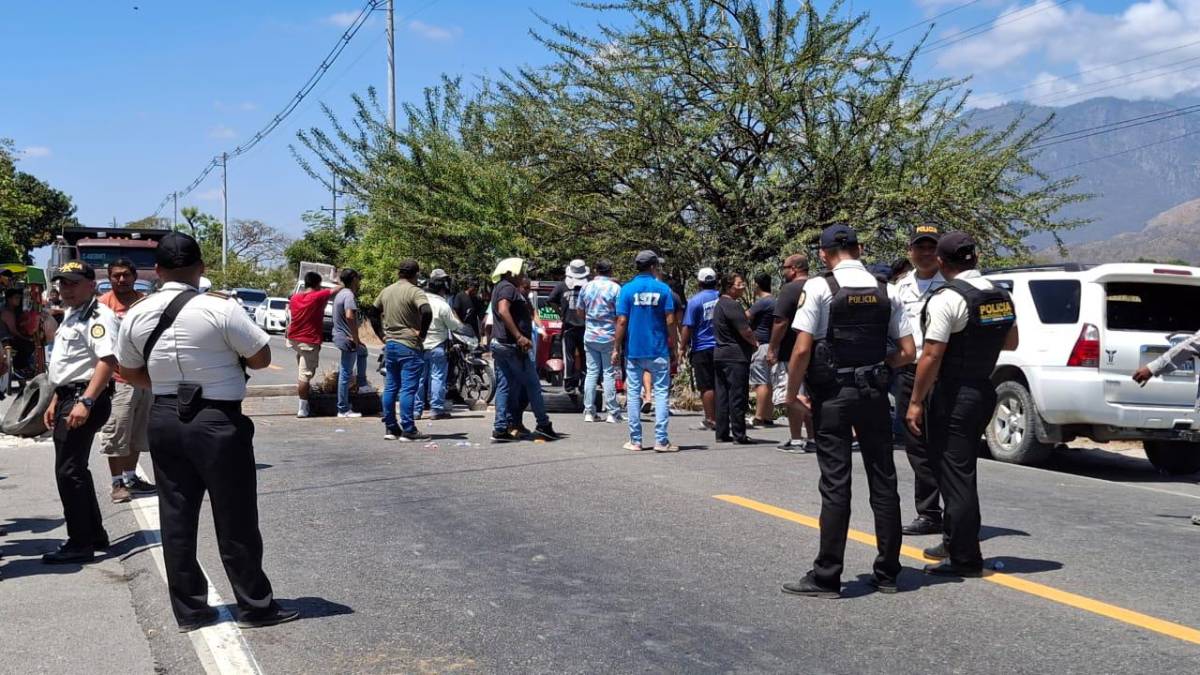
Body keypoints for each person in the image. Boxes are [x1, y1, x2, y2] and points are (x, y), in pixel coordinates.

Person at [114, 231, 298, 631]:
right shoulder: (222, 308)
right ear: (201, 268)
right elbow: (263, 358)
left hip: (164, 416)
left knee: (176, 514)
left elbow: (127, 372)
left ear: (157, 271)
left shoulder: (137, 314)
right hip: (217, 419)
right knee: (235, 515)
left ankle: (190, 611)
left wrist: (164, 387)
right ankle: (254, 605)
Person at [781, 224, 915, 598]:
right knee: (883, 480)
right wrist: (878, 367)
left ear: (824, 254)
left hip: (833, 396)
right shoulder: (886, 290)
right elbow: (908, 352)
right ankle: (888, 571)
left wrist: (791, 394)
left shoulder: (820, 288)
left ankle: (827, 575)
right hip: (873, 394)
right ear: (858, 249)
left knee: (836, 483)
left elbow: (803, 349)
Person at [906, 231, 1018, 577]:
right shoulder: (999, 295)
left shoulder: (947, 298)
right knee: (958, 469)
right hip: (984, 389)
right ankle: (954, 541)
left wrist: (915, 401)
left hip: (954, 393)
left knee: (955, 475)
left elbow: (931, 355)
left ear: (941, 262)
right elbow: (1011, 341)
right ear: (976, 257)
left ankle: (965, 558)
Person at [39, 261, 120, 565]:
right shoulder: (74, 314)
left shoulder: (98, 316)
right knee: (75, 469)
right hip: (69, 396)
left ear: (91, 285)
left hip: (84, 398)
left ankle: (79, 542)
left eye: (73, 283)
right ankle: (93, 534)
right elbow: (69, 365)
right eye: (63, 283)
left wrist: (84, 401)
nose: (66, 289)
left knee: (68, 471)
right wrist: (55, 399)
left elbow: (107, 360)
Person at [891, 224, 947, 537]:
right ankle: (928, 512)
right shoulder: (901, 287)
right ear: (910, 251)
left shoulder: (949, 284)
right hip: (910, 371)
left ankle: (950, 508)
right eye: (920, 247)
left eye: (931, 247)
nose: (926, 253)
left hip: (941, 372)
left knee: (942, 442)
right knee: (915, 444)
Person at [97, 258, 157, 504]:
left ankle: (132, 478)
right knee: (117, 432)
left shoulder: (146, 303)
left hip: (145, 378)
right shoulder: (101, 306)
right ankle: (116, 483)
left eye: (126, 275)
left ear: (134, 276)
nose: (121, 280)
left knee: (137, 433)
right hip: (118, 379)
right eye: (116, 276)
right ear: (109, 278)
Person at [488, 258, 560, 442]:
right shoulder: (507, 287)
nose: (522, 276)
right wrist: (519, 336)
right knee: (533, 386)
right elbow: (503, 310)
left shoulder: (508, 288)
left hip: (503, 345)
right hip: (511, 346)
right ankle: (543, 425)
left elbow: (525, 311)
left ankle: (501, 428)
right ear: (511, 273)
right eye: (520, 272)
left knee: (504, 386)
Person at [613, 250, 678, 452]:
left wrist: (616, 347)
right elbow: (670, 320)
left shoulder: (626, 290)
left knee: (633, 393)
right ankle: (661, 440)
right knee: (661, 393)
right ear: (653, 266)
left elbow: (622, 321)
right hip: (658, 349)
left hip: (634, 350)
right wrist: (675, 345)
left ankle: (635, 440)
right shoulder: (663, 289)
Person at [375, 260, 433, 441]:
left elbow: (372, 312)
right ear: (415, 274)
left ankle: (391, 428)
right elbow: (427, 311)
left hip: (390, 344)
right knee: (408, 389)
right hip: (409, 345)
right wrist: (422, 334)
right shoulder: (414, 291)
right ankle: (408, 429)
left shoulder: (387, 291)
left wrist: (381, 335)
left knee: (391, 387)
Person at [768, 253, 815, 453]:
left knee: (792, 395)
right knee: (809, 394)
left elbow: (781, 321)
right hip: (816, 351)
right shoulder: (818, 285)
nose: (784, 271)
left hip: (791, 351)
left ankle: (796, 439)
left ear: (795, 268)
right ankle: (813, 438)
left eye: (785, 267)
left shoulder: (790, 289)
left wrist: (772, 348)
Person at [712, 272, 758, 444]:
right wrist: (755, 342)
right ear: (729, 287)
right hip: (735, 356)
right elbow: (745, 330)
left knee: (723, 394)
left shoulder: (719, 305)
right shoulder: (732, 305)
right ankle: (739, 434)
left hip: (720, 354)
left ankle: (722, 432)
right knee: (737, 395)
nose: (743, 286)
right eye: (739, 284)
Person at [285, 272, 337, 418]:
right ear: (317, 284)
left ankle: (305, 397)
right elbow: (336, 289)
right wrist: (338, 281)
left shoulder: (294, 298)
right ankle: (303, 407)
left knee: (304, 367)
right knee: (305, 376)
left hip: (294, 338)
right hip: (308, 340)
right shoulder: (317, 296)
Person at [577, 259, 622, 423]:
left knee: (592, 372)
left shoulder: (586, 287)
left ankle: (589, 411)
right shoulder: (616, 288)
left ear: (596, 270)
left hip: (590, 335)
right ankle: (612, 412)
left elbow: (580, 311)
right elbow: (620, 314)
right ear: (610, 270)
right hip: (609, 335)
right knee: (609, 373)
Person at [415, 269, 463, 420]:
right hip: (437, 345)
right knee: (437, 377)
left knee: (419, 379)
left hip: (419, 345)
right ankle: (436, 409)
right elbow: (455, 326)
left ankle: (416, 411)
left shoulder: (419, 301)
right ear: (442, 289)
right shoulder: (442, 305)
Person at [681, 268, 720, 429]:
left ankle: (711, 419)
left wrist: (682, 347)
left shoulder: (694, 301)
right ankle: (724, 417)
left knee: (706, 385)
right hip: (723, 346)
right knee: (721, 383)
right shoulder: (723, 298)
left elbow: (688, 326)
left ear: (699, 282)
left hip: (702, 347)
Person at [546, 260, 589, 396]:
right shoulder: (587, 287)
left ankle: (572, 383)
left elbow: (550, 300)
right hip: (582, 326)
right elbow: (551, 300)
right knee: (583, 356)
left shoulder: (562, 286)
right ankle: (580, 382)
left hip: (572, 326)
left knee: (570, 356)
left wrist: (561, 313)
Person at [332, 268, 369, 418]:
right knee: (345, 373)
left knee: (363, 352)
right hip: (346, 338)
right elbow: (349, 316)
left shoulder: (341, 294)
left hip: (341, 336)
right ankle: (343, 409)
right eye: (358, 279)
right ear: (354, 279)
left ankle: (362, 384)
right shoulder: (348, 295)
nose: (359, 282)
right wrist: (355, 338)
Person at [747, 272, 778, 428]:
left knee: (760, 382)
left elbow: (745, 317)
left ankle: (759, 417)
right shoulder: (775, 301)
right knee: (769, 382)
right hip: (772, 345)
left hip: (761, 345)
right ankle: (767, 415)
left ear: (756, 285)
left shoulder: (763, 302)